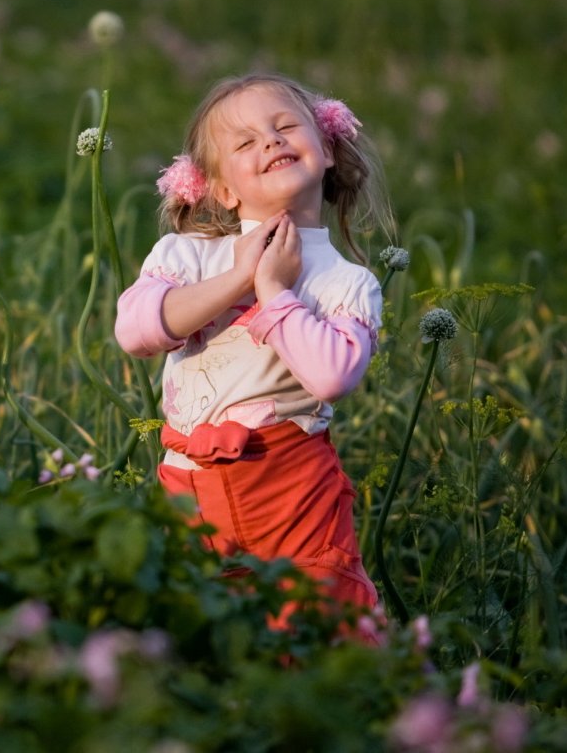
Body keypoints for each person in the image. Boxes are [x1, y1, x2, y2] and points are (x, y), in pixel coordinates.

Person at [115, 72, 394, 620]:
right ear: (223, 190)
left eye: (286, 126)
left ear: (328, 149)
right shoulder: (189, 256)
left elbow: (333, 376)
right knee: (191, 621)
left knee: (312, 619)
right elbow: (136, 331)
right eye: (245, 142)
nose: (270, 140)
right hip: (191, 486)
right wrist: (240, 278)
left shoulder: (347, 283)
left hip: (292, 490)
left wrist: (272, 291)